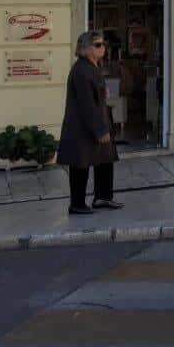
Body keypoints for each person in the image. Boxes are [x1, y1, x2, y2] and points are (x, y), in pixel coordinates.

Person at [57, 31, 123, 214]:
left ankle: (103, 197)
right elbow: (86, 104)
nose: (103, 47)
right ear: (86, 49)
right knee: (81, 163)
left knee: (105, 159)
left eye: (103, 44)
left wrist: (103, 94)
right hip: (83, 127)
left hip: (94, 124)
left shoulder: (92, 67)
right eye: (98, 44)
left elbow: (95, 95)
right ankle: (77, 204)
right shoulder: (82, 70)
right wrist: (100, 130)